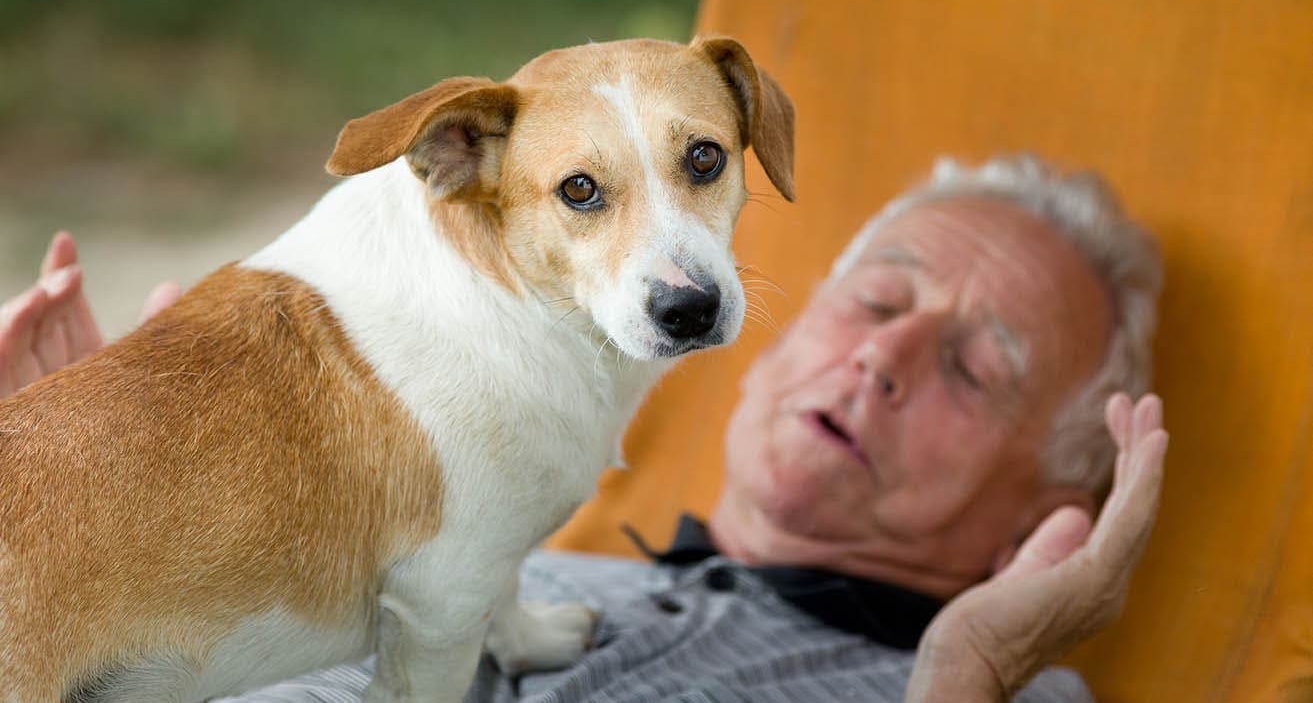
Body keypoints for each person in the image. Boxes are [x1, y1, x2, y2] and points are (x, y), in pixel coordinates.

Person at [0, 155, 1168, 702]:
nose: (881, 358)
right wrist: (119, 504)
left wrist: (971, 671)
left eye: (971, 369)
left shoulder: (982, 681)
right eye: (873, 301)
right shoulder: (507, 538)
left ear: (1042, 513)